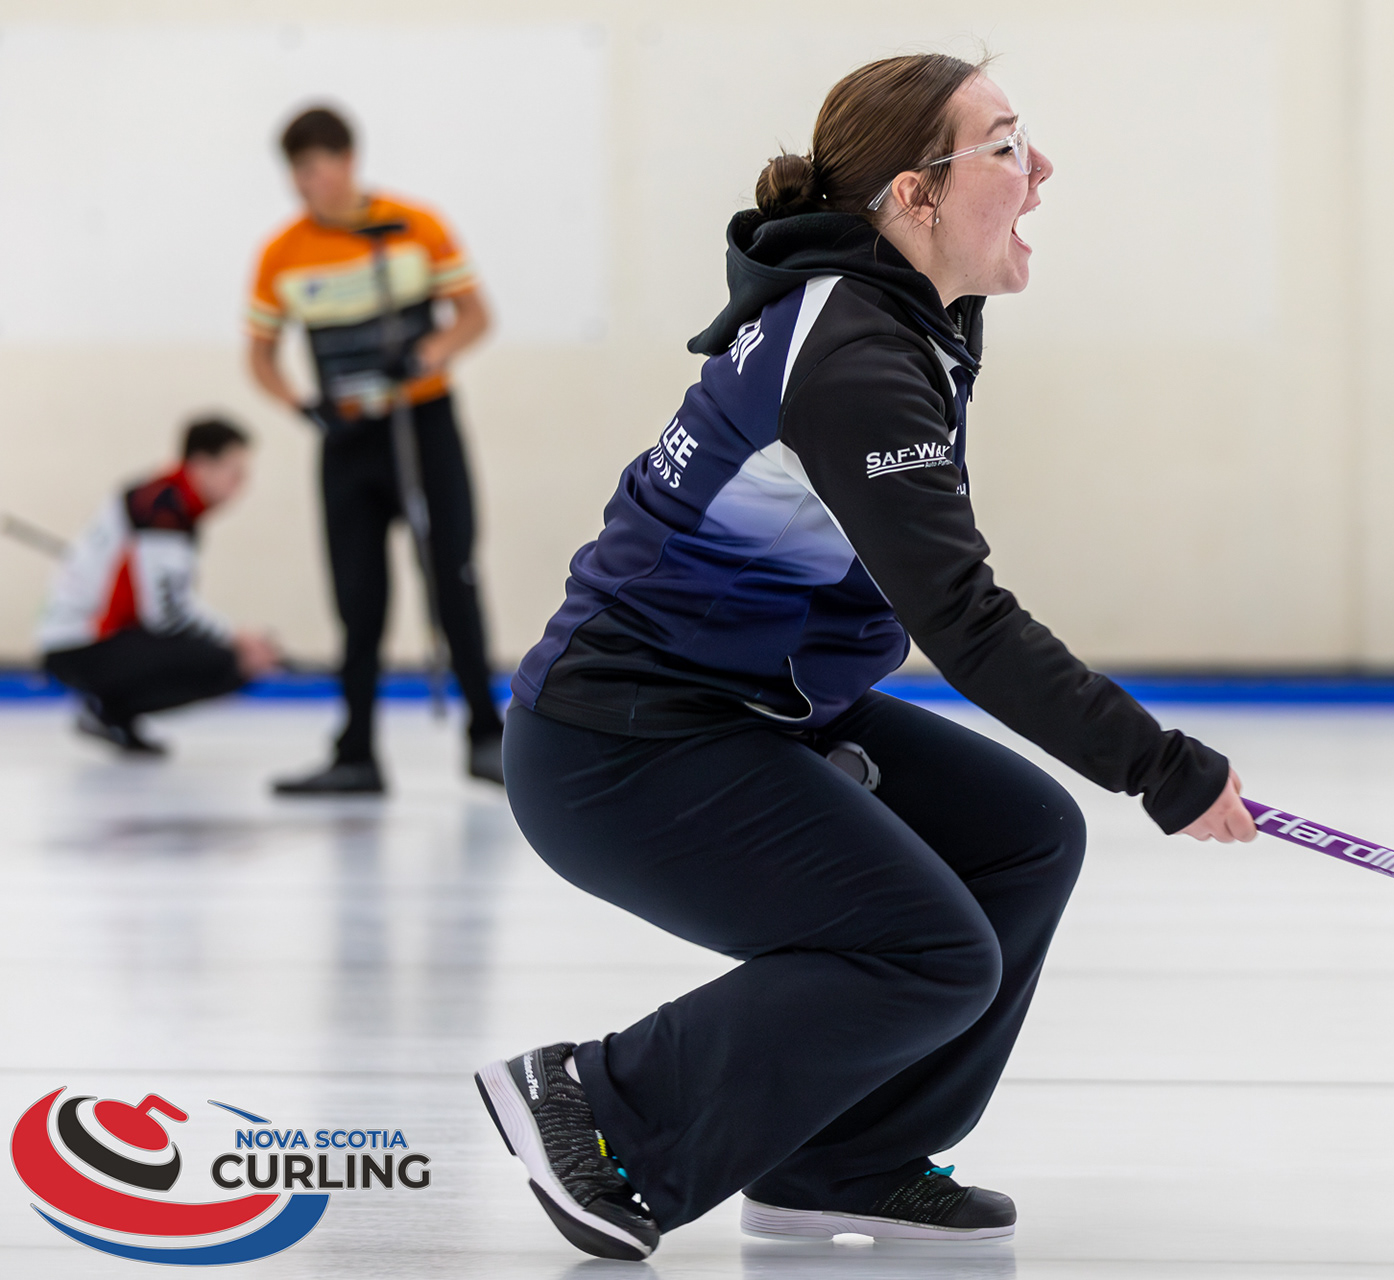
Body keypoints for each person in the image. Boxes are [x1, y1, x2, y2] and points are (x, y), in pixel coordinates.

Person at [472, 54, 1259, 1262]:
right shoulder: (854, 357)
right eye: (1006, 145)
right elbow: (964, 619)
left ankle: (842, 1158)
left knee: (1023, 837)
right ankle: (600, 1103)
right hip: (619, 744)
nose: (1041, 169)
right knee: (927, 948)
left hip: (748, 707)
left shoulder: (890, 318)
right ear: (913, 196)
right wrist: (1157, 764)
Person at [245, 105, 503, 795]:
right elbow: (260, 356)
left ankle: (486, 735)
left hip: (423, 427)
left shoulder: (415, 227)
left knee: (453, 577)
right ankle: (356, 751)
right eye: (298, 173)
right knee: (357, 598)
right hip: (348, 439)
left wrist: (427, 354)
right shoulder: (283, 254)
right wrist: (301, 404)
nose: (308, 184)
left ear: (347, 160)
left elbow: (475, 316)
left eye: (317, 168)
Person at [39, 418, 281, 754]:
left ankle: (110, 711)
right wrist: (236, 637)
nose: (241, 485)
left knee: (224, 655)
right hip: (83, 643)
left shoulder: (163, 499)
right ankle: (108, 710)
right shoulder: (163, 510)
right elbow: (166, 615)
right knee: (229, 663)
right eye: (235, 472)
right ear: (202, 465)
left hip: (85, 640)